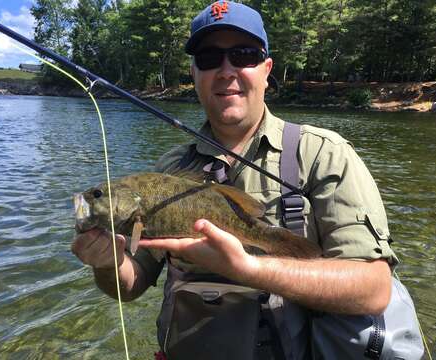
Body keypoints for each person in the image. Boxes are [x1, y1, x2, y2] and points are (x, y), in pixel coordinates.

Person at [72, 1, 398, 358]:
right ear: (195, 73)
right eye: (210, 58)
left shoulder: (323, 154)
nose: (226, 71)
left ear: (266, 69)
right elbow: (131, 284)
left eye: (243, 55)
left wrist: (250, 268)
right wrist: (108, 263)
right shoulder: (169, 167)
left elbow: (373, 289)